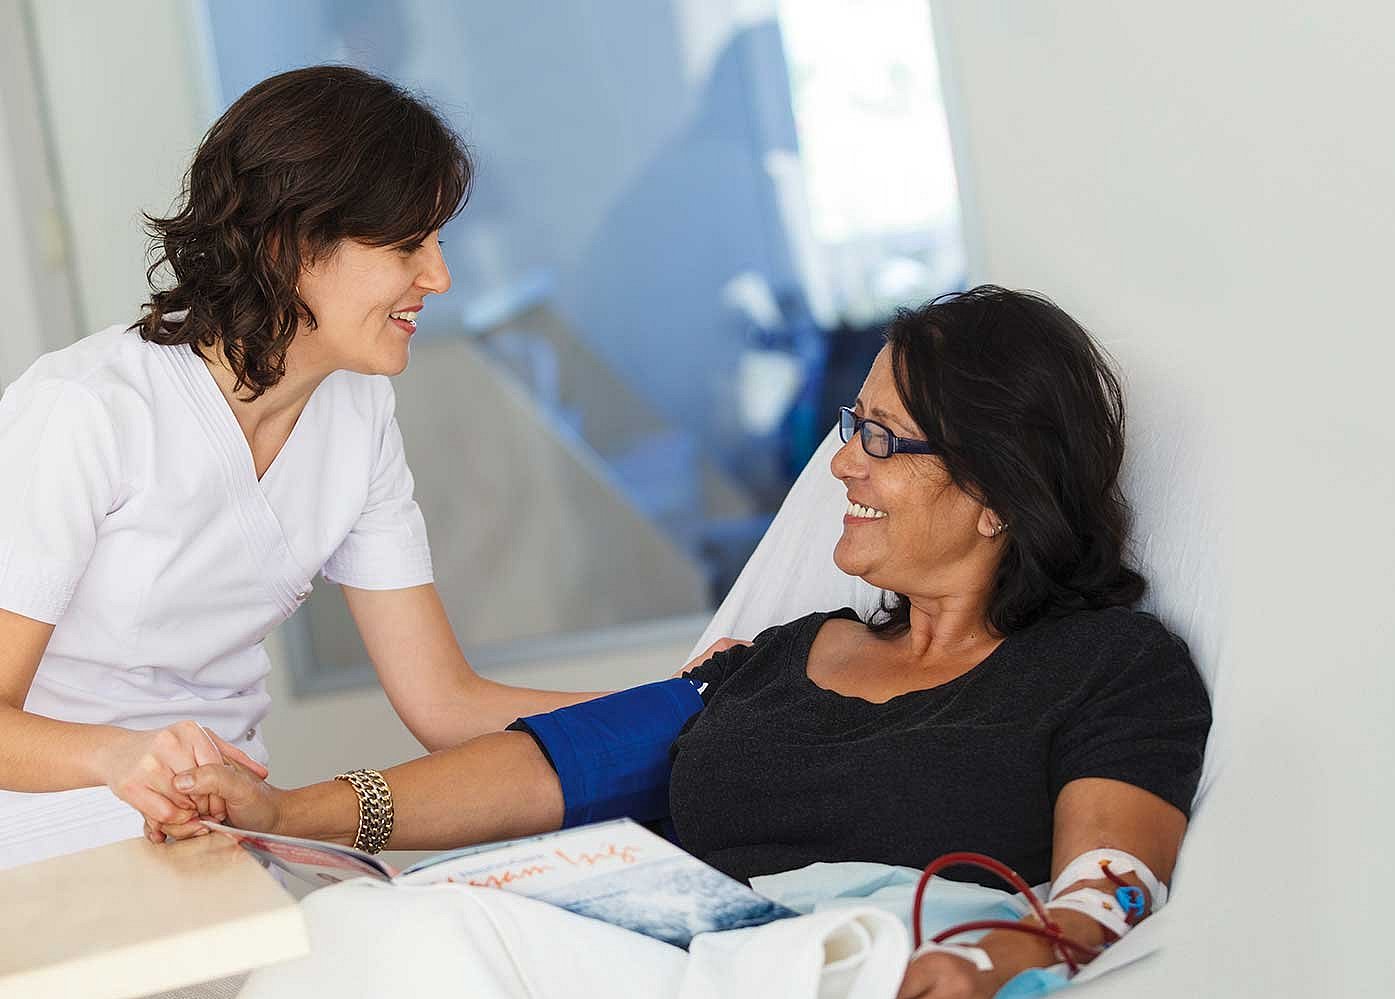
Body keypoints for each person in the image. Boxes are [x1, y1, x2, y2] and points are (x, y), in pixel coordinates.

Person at [172, 287, 1212, 998]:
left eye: (882, 441)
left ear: (995, 491)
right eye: (854, 425)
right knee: (355, 932)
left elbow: (1107, 888)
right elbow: (563, 766)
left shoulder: (1108, 668)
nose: (843, 466)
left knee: (411, 946)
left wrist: (997, 959)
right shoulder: (786, 656)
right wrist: (287, 815)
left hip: (869, 962)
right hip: (681, 959)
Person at [0, 66, 618, 869]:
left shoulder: (356, 415)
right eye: (406, 245)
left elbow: (446, 704)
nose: (438, 276)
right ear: (291, 244)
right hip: (45, 845)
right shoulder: (85, 409)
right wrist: (116, 757)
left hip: (215, 837)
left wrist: (689, 701)